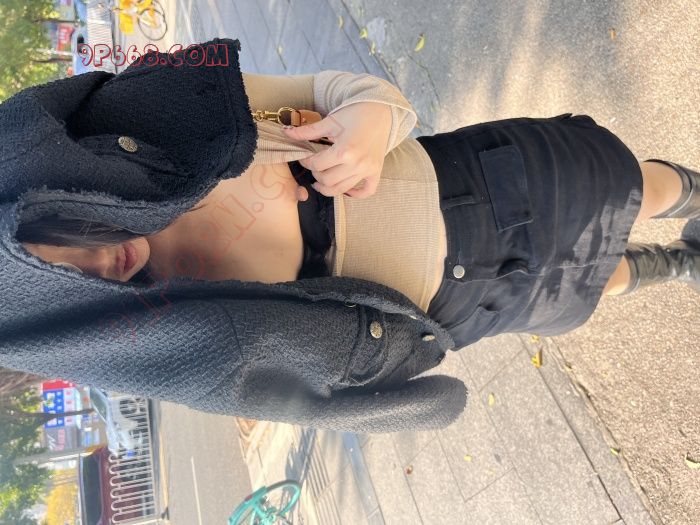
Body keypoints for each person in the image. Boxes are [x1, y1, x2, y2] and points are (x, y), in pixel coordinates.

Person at [0, 38, 697, 433]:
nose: (103, 257)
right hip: (463, 305)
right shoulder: (169, 342)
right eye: (76, 282)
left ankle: (690, 193)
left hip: (480, 182)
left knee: (626, 184)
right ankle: (675, 265)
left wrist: (369, 122)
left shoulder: (151, 119)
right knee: (585, 288)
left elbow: (344, 91)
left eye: (67, 230)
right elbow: (329, 392)